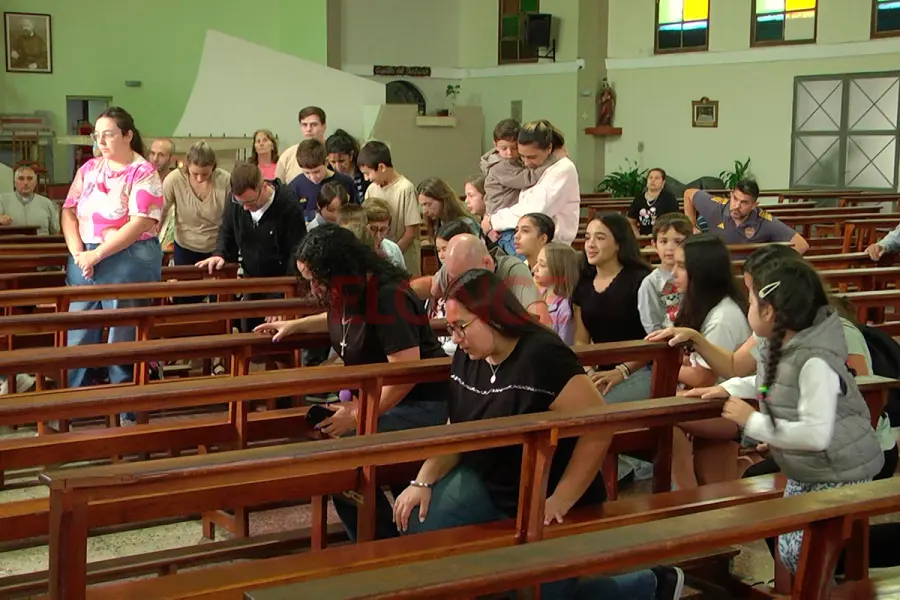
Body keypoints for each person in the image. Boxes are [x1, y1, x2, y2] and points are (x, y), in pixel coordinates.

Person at [391, 269, 685, 600]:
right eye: (450, 328)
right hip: (490, 481)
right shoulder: (467, 355)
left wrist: (561, 499)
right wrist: (423, 480)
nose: (456, 338)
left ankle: (648, 585)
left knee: (535, 594)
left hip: (545, 491)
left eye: (461, 327)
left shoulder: (541, 355)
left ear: (493, 316)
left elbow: (599, 425)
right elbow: (457, 425)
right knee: (419, 524)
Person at [254, 225, 450, 526]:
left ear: (341, 269)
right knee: (324, 427)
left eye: (318, 281)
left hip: (421, 404)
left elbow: (405, 375)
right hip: (381, 401)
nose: (314, 289)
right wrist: (296, 325)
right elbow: (339, 318)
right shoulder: (349, 291)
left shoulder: (389, 298)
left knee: (341, 453)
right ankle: (381, 534)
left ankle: (377, 541)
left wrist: (358, 415)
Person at [721, 258, 881, 575]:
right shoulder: (789, 344)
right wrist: (729, 390)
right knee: (796, 547)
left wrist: (752, 422)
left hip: (840, 464)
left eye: (751, 300)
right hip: (813, 463)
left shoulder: (813, 359)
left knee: (806, 550)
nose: (747, 306)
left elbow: (815, 435)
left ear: (770, 312)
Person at [61, 106, 164, 391]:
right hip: (84, 257)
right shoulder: (89, 168)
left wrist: (96, 254)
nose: (101, 142)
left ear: (128, 135)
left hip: (127, 256)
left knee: (123, 336)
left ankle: (126, 409)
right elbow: (68, 210)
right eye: (97, 136)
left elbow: (140, 222)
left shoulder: (143, 171)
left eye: (108, 135)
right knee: (79, 333)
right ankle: (75, 401)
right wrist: (78, 252)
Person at [668, 235, 751, 489]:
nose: (673, 273)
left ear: (702, 272)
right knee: (716, 483)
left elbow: (703, 377)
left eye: (681, 266)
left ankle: (684, 497)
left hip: (730, 406)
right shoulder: (707, 304)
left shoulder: (723, 316)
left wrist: (661, 364)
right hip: (715, 401)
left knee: (661, 417)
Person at [197, 162, 306, 333]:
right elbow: (227, 230)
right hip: (251, 279)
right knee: (248, 329)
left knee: (276, 341)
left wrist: (281, 300)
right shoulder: (237, 202)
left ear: (263, 187)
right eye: (240, 203)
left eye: (250, 202)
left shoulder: (288, 205)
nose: (246, 208)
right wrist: (220, 253)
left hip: (282, 281)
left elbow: (296, 253)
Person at [573, 213, 653, 403]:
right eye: (587, 237)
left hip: (642, 367)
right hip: (599, 370)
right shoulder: (583, 284)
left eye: (600, 238)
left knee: (590, 406)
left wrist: (622, 371)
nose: (590, 244)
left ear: (619, 244)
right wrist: (589, 372)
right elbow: (580, 340)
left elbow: (655, 338)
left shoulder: (641, 280)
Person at [483, 120, 580, 246]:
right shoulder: (535, 165)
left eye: (532, 157)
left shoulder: (563, 168)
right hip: (524, 236)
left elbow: (534, 211)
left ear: (549, 148)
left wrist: (493, 220)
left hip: (551, 244)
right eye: (522, 156)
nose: (526, 163)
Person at [423, 233, 550, 326]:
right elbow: (431, 287)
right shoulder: (455, 267)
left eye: (469, 277)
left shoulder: (512, 269)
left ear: (487, 263)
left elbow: (541, 321)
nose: (463, 284)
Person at [479, 119, 556, 254]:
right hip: (504, 227)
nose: (509, 153)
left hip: (507, 221)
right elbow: (528, 178)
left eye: (514, 148)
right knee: (523, 263)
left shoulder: (511, 161)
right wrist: (552, 160)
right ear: (495, 145)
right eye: (504, 148)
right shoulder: (499, 166)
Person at [160, 141, 231, 277]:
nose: (200, 179)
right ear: (187, 166)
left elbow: (232, 218)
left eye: (205, 174)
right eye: (195, 174)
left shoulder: (226, 180)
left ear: (213, 167)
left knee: (219, 293)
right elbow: (161, 212)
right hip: (185, 246)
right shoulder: (174, 180)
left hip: (217, 247)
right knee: (186, 295)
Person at [683, 179, 809, 254]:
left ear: (754, 205)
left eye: (744, 202)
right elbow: (689, 194)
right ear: (731, 195)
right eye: (735, 199)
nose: (737, 206)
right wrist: (691, 226)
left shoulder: (764, 221)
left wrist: (772, 266)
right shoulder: (716, 206)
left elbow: (801, 245)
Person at [360, 141, 422, 276]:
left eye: (368, 173)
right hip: (379, 259)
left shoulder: (405, 189)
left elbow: (410, 233)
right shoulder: (371, 189)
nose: (366, 179)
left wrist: (392, 255)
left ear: (381, 167)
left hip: (403, 257)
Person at [638, 213, 692, 334]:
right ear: (654, 244)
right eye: (663, 241)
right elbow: (652, 325)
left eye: (677, 241)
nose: (670, 247)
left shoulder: (695, 274)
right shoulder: (650, 283)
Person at [290, 139, 358, 221]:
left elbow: (356, 213)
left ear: (326, 162)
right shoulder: (296, 186)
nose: (313, 177)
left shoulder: (346, 182)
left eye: (316, 171)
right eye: (307, 173)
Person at [532, 242, 580, 345]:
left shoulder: (564, 309)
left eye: (542, 265)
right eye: (536, 262)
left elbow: (565, 345)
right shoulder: (537, 294)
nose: (534, 268)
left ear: (558, 270)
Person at [0, 165, 60, 235]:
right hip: (12, 244)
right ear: (14, 183)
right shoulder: (2, 200)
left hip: (41, 244)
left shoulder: (46, 203)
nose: (25, 183)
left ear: (35, 183)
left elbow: (55, 231)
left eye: (29, 178)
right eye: (21, 178)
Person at [275, 106, 327, 185]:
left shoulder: (334, 153)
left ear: (323, 126)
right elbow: (278, 188)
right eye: (304, 125)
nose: (308, 129)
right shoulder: (288, 156)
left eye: (314, 124)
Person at [416, 176, 478, 242]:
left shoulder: (465, 224)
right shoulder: (438, 223)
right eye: (422, 205)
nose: (424, 211)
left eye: (428, 204)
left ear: (442, 199)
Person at [627, 167, 680, 237]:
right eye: (650, 178)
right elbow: (631, 222)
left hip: (663, 237)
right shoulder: (639, 199)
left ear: (663, 182)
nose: (653, 180)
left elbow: (674, 222)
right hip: (643, 238)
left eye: (657, 178)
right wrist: (638, 237)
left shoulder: (669, 198)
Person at [363, 197, 406, 269]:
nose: (378, 236)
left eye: (383, 230)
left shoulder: (393, 249)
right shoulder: (354, 250)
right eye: (373, 229)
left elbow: (403, 279)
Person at [326, 129, 369, 199]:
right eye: (333, 162)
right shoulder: (328, 175)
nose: (337, 167)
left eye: (341, 161)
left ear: (351, 155)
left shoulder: (364, 171)